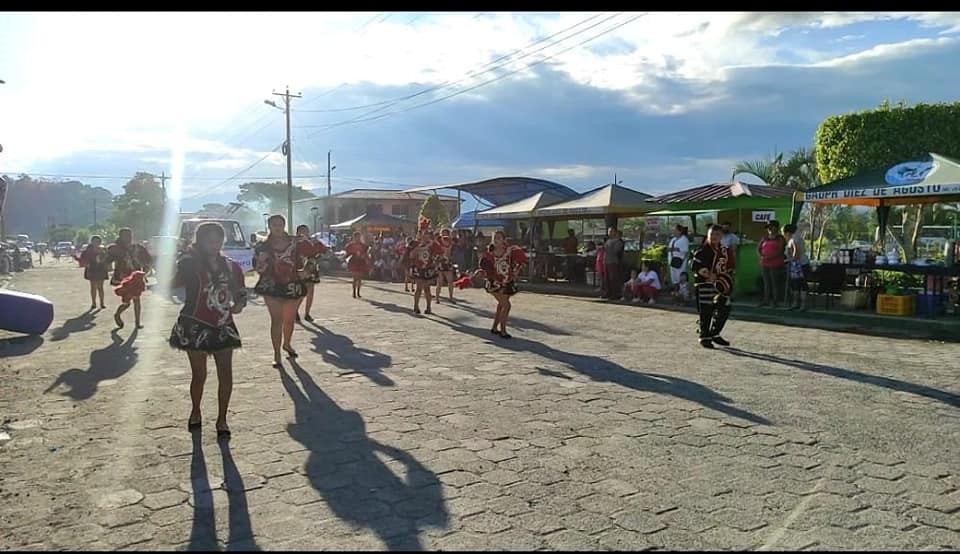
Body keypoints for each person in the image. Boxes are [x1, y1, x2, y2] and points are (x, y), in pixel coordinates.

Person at [169, 222, 248, 438]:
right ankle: (195, 411)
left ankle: (222, 418)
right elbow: (171, 284)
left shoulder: (231, 266)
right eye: (209, 241)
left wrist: (240, 303)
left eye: (218, 241)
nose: (214, 245)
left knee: (226, 374)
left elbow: (240, 291)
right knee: (199, 375)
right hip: (194, 324)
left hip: (223, 324)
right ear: (199, 241)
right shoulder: (189, 263)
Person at [254, 215, 309, 368]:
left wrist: (302, 270)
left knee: (289, 320)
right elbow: (258, 266)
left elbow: (299, 260)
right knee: (276, 320)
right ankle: (276, 354)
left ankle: (287, 344)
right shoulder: (262, 245)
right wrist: (262, 264)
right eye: (274, 224)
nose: (277, 227)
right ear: (269, 227)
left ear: (284, 225)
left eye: (280, 224)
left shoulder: (294, 242)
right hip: (271, 285)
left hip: (292, 283)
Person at [477, 230, 528, 338]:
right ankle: (503, 330)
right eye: (495, 238)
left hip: (507, 282)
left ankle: (495, 327)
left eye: (499, 238)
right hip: (494, 283)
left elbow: (521, 262)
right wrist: (481, 272)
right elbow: (483, 267)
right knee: (507, 305)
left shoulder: (510, 251)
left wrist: (516, 271)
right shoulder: (488, 253)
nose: (496, 240)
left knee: (501, 305)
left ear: (504, 240)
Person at [692, 224, 736, 349]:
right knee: (706, 311)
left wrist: (728, 280)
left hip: (721, 285)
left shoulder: (725, 250)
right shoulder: (702, 250)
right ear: (708, 235)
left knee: (724, 309)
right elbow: (695, 266)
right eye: (712, 234)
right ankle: (704, 336)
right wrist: (707, 274)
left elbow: (730, 266)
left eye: (717, 234)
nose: (714, 237)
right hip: (705, 284)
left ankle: (714, 333)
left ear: (721, 236)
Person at [107, 228, 153, 329]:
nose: (128, 237)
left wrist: (146, 268)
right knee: (127, 302)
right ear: (121, 237)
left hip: (136, 277)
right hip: (124, 278)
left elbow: (148, 259)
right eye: (126, 235)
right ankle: (117, 314)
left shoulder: (138, 247)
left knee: (137, 299)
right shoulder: (116, 249)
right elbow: (107, 260)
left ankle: (137, 323)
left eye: (130, 235)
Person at [295, 224, 329, 323]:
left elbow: (326, 251)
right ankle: (295, 310)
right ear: (297, 233)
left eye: (306, 231)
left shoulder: (314, 242)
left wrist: (319, 256)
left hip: (312, 267)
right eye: (301, 231)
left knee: (310, 291)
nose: (304, 233)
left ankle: (307, 313)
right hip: (300, 269)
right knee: (302, 292)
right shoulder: (295, 243)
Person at [409, 218, 442, 314]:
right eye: (422, 233)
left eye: (426, 233)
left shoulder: (433, 244)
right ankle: (416, 306)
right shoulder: (415, 243)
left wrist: (436, 262)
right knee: (419, 288)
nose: (424, 235)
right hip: (418, 268)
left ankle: (428, 307)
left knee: (427, 288)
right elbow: (411, 255)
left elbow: (441, 254)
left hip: (428, 268)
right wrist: (419, 248)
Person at [758, 220, 787, 308]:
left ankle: (775, 301)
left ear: (776, 228)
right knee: (766, 283)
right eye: (768, 228)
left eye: (771, 227)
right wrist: (761, 256)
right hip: (764, 264)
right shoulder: (765, 237)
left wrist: (769, 257)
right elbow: (759, 248)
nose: (769, 229)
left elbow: (780, 250)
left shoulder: (780, 238)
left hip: (776, 264)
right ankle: (766, 300)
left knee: (775, 282)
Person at [77, 235, 109, 309]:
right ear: (92, 242)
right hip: (92, 269)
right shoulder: (88, 251)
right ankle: (94, 303)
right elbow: (82, 259)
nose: (96, 243)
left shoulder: (103, 250)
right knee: (93, 287)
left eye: (97, 241)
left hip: (101, 269)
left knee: (100, 287)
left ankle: (102, 303)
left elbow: (107, 258)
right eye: (94, 241)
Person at [783, 223, 810, 311]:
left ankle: (802, 305)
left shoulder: (794, 239)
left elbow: (796, 254)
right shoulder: (797, 237)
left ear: (787, 232)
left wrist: (787, 260)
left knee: (801, 285)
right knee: (797, 285)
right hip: (801, 264)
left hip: (799, 265)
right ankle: (797, 304)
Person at [344, 231, 370, 299]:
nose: (357, 238)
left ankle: (358, 292)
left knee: (359, 278)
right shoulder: (350, 245)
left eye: (359, 237)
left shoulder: (363, 246)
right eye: (356, 237)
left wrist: (366, 259)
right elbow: (347, 254)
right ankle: (354, 292)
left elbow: (366, 253)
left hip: (361, 262)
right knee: (355, 278)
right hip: (353, 262)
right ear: (354, 237)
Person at [435, 228, 457, 304]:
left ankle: (451, 297)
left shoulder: (450, 243)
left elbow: (450, 253)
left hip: (448, 263)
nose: (444, 235)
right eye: (443, 233)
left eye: (446, 233)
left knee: (450, 281)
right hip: (440, 263)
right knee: (439, 282)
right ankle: (437, 298)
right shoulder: (438, 243)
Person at [603, 227, 625, 301]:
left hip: (613, 261)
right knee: (606, 278)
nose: (609, 233)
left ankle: (614, 294)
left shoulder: (618, 241)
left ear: (614, 232)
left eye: (611, 231)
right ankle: (607, 293)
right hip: (606, 261)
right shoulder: (608, 240)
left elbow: (615, 251)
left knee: (613, 278)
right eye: (609, 231)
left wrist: (607, 247)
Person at [667, 224, 690, 291]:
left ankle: (682, 291)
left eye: (675, 230)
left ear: (680, 231)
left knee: (680, 276)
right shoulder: (673, 239)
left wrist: (675, 249)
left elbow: (685, 250)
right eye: (673, 230)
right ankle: (676, 290)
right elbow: (669, 248)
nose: (673, 231)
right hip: (672, 260)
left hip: (680, 260)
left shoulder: (684, 239)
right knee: (673, 277)